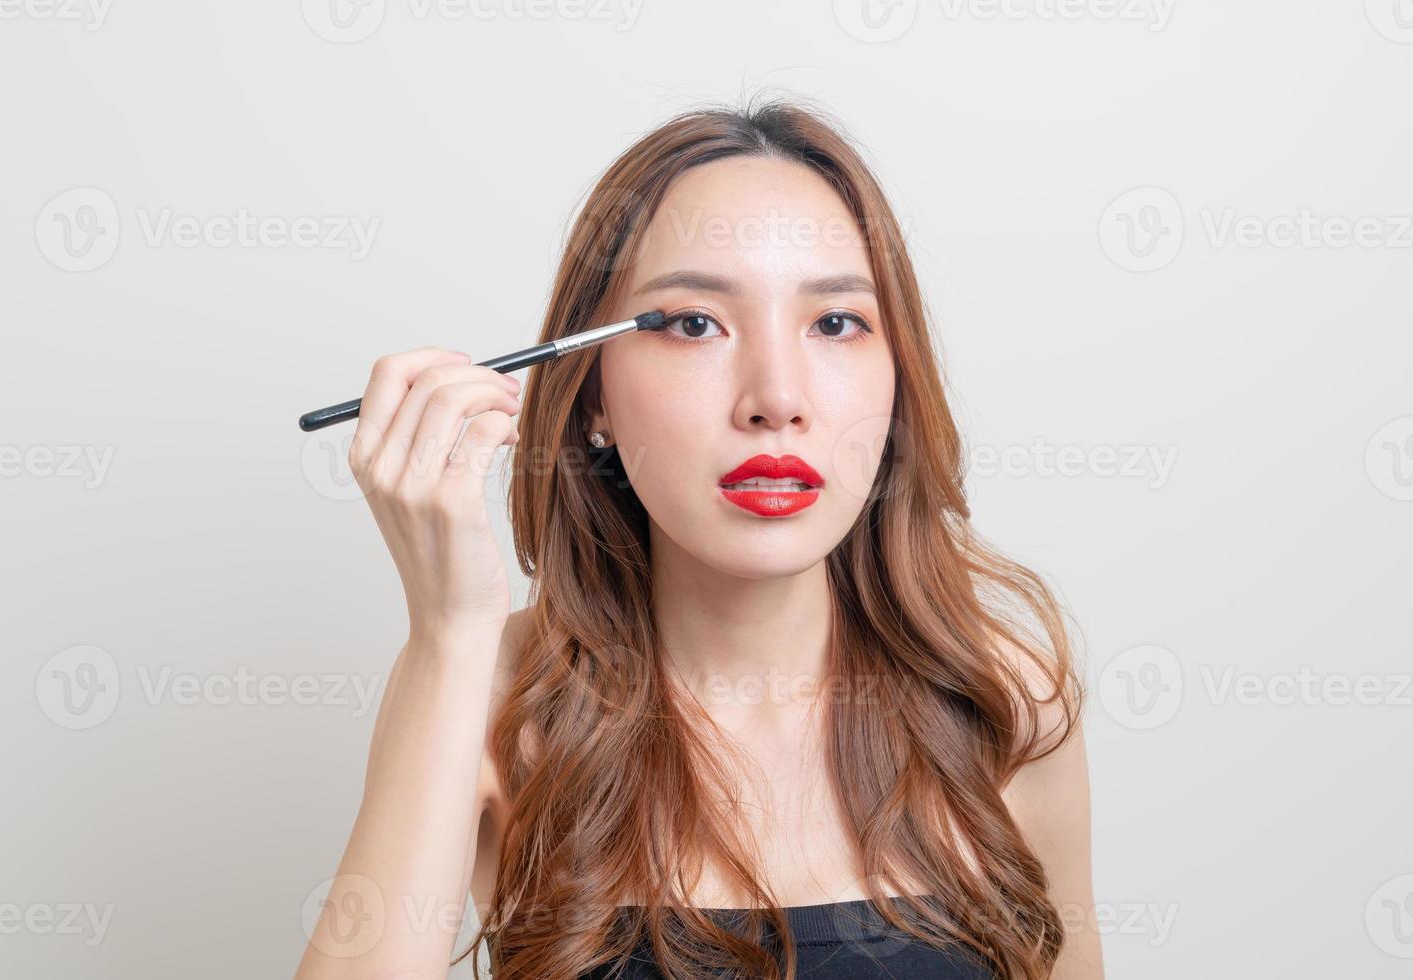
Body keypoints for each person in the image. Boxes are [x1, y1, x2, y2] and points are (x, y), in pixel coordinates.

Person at [294, 94, 1103, 980]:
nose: (775, 396)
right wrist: (448, 635)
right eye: (693, 323)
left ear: (898, 377)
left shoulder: (1000, 701)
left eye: (836, 322)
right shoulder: (495, 701)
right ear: (593, 394)